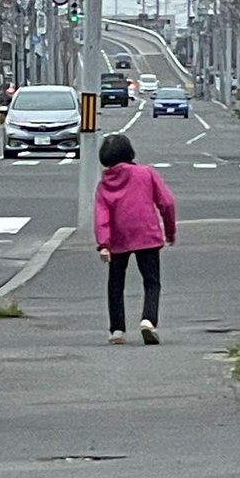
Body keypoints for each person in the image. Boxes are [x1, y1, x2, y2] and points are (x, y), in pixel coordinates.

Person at [94, 133, 176, 346]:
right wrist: (170, 232)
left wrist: (104, 244)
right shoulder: (146, 173)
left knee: (115, 284)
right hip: (147, 234)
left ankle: (117, 329)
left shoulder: (104, 184)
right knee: (151, 282)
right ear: (129, 152)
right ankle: (148, 320)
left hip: (118, 239)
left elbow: (101, 215)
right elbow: (166, 203)